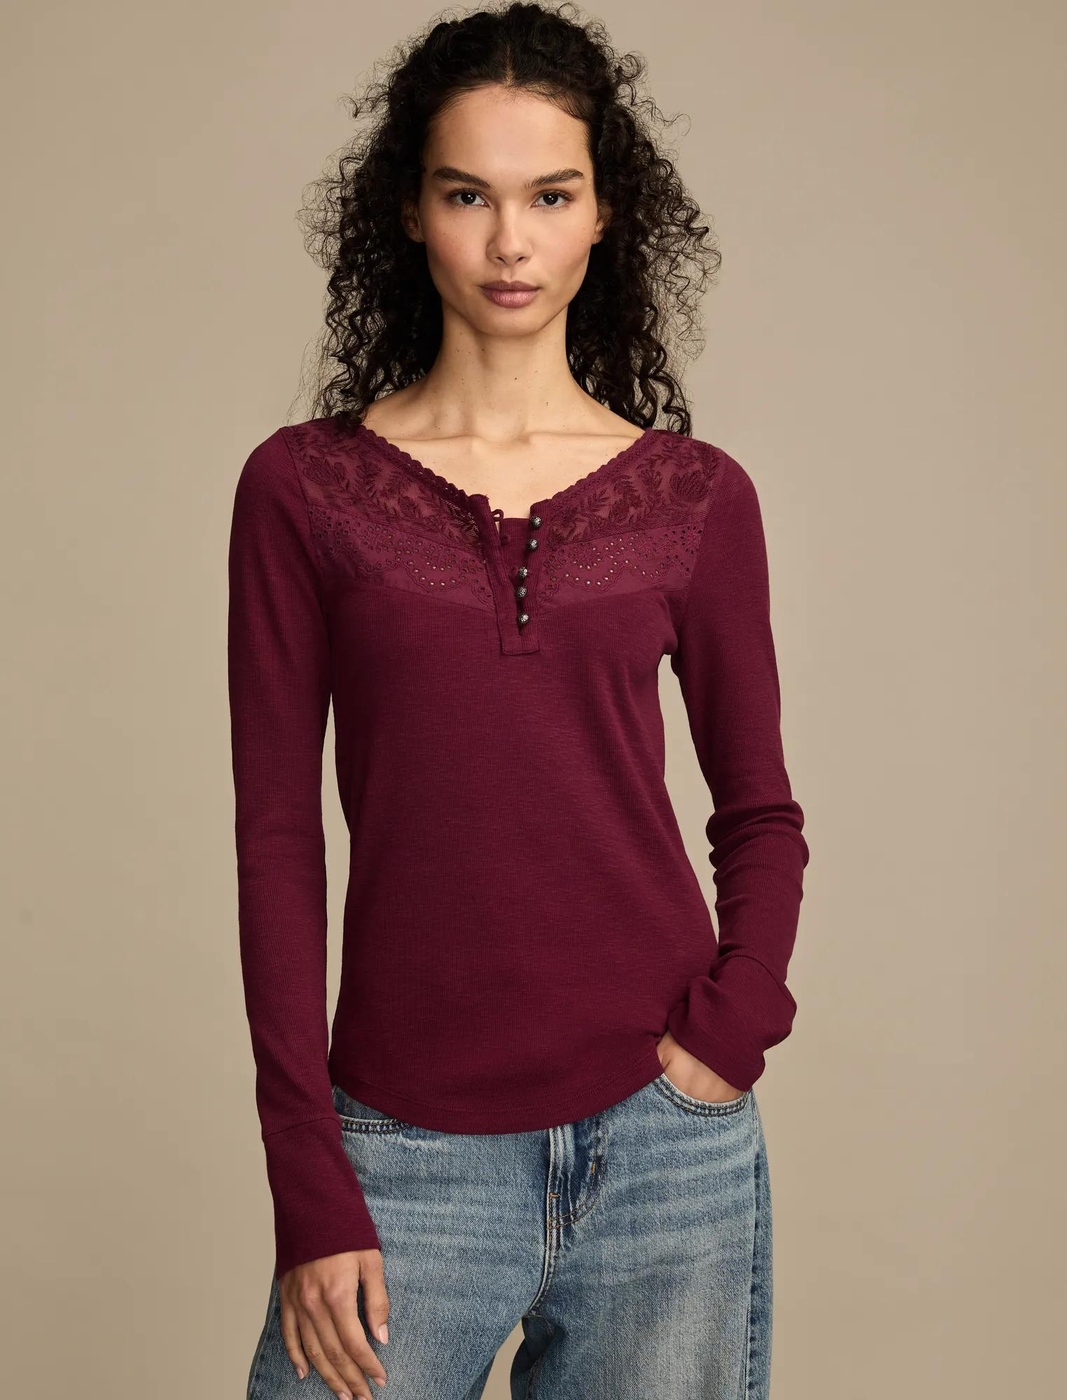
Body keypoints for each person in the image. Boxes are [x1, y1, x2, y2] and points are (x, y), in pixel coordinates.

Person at [227, 4, 809, 1397]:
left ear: (606, 214)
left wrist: (731, 1032)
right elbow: (277, 845)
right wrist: (308, 1174)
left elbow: (760, 812)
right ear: (411, 212)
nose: (509, 243)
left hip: (665, 1144)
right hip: (400, 1150)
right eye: (467, 196)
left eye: (549, 196)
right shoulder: (306, 491)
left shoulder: (692, 499)